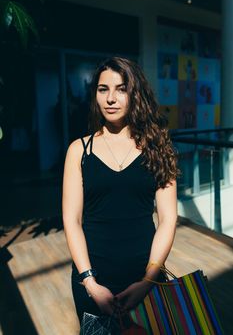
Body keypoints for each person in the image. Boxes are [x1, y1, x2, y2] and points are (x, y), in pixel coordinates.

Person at [62, 57, 179, 327]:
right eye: (103, 89)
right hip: (92, 280)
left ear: (135, 94)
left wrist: (147, 281)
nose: (111, 98)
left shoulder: (158, 148)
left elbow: (168, 219)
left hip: (145, 278)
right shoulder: (79, 151)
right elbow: (72, 220)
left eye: (121, 88)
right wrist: (90, 283)